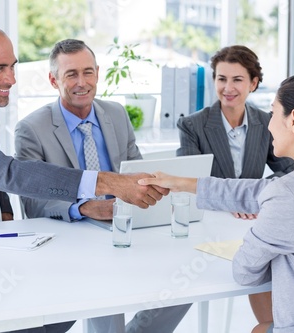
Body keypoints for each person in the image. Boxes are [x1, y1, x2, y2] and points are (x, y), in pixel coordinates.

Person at [0, 23, 167, 333]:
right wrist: (104, 183)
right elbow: (4, 171)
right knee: (56, 296)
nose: (11, 79)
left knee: (71, 291)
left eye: (12, 67)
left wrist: (7, 215)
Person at [139, 72, 294, 332]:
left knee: (260, 328)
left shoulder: (289, 196)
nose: (268, 125)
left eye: (273, 113)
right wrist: (184, 183)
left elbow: (244, 272)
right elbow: (265, 189)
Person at [14, 38, 191, 333]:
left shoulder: (117, 114)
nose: (81, 82)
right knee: (103, 286)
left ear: (97, 73)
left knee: (185, 276)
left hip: (126, 227)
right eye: (71, 74)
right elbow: (33, 203)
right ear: (53, 80)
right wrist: (86, 208)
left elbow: (138, 174)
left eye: (88, 72)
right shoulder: (32, 129)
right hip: (70, 240)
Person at [176, 45, 294, 220]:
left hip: (252, 218)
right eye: (222, 79)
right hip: (209, 218)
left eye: (237, 80)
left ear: (253, 84)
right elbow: (187, 181)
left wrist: (252, 195)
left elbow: (291, 170)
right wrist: (229, 199)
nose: (228, 88)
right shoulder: (191, 125)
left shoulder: (266, 123)